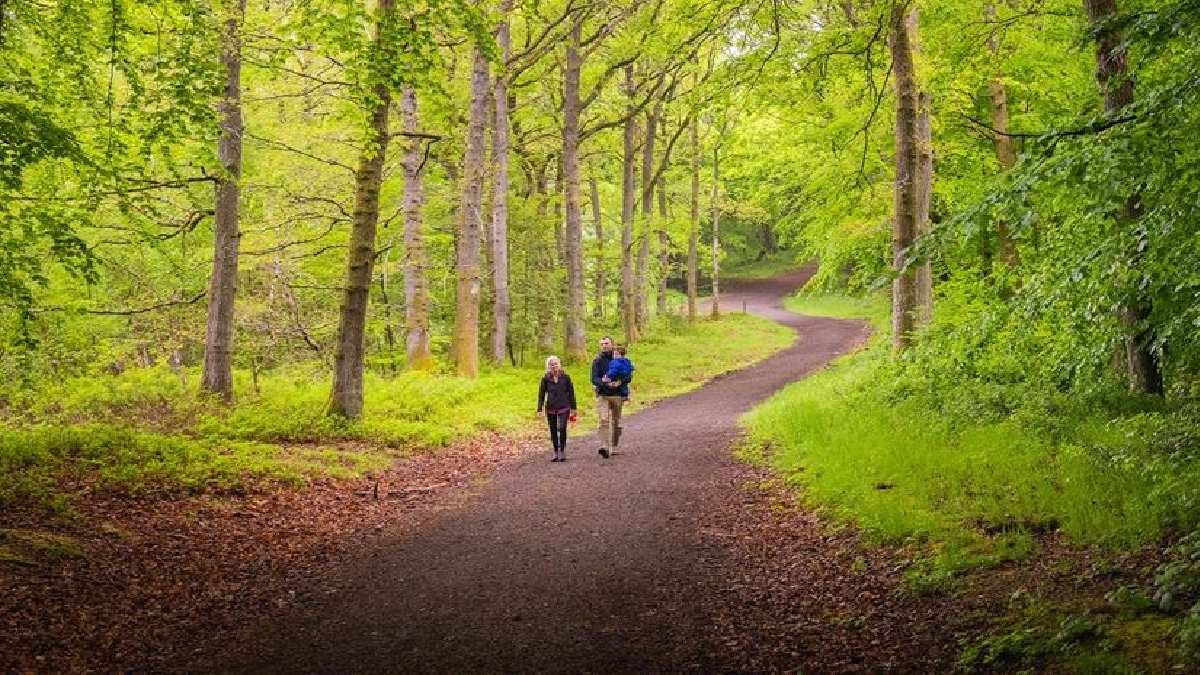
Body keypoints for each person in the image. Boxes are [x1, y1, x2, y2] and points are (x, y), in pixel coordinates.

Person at [536, 356, 577, 462]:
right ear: (548, 366)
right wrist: (539, 409)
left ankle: (562, 450)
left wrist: (574, 408)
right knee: (553, 430)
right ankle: (555, 451)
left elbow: (571, 393)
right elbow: (541, 395)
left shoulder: (566, 377)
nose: (554, 366)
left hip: (564, 406)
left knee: (562, 428)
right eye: (551, 364)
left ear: (559, 364)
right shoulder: (545, 378)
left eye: (555, 363)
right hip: (551, 407)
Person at [590, 337, 625, 459]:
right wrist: (605, 383)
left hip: (617, 394)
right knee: (603, 420)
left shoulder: (619, 358)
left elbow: (628, 375)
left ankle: (614, 446)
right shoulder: (597, 360)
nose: (604, 346)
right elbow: (594, 378)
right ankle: (604, 447)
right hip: (603, 394)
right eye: (602, 344)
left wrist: (620, 381)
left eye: (606, 343)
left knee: (616, 422)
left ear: (612, 344)